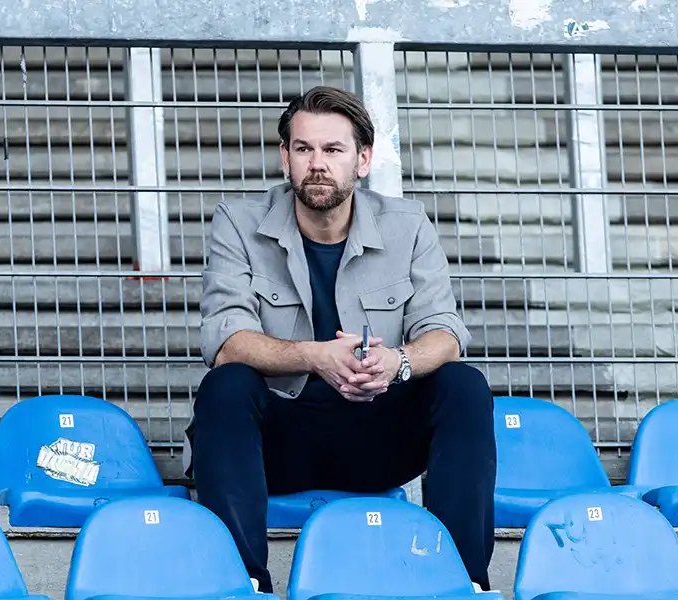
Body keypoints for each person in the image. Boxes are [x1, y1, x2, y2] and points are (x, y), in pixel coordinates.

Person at [182, 85, 496, 593]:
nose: (317, 163)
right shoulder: (238, 224)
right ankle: (244, 583)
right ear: (285, 158)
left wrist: (397, 361)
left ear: (363, 159)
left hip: (375, 437)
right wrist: (314, 357)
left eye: (333, 150)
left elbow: (446, 333)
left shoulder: (409, 226)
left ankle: (460, 583)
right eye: (304, 149)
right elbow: (224, 339)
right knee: (227, 385)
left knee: (462, 385)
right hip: (276, 444)